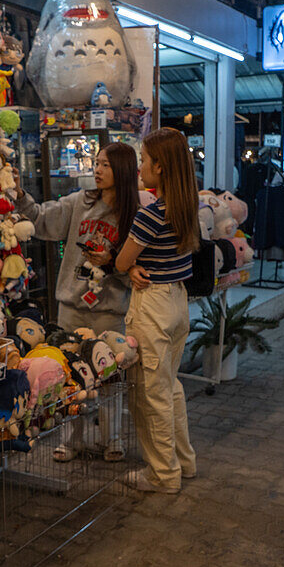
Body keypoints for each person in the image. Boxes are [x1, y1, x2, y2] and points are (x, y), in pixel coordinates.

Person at [14, 142, 140, 462]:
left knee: (109, 376)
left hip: (110, 311)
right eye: (96, 164)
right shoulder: (78, 203)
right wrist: (19, 195)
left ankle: (112, 438)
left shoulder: (134, 216)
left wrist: (111, 262)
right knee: (69, 375)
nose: (97, 170)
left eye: (106, 166)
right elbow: (42, 219)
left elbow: (135, 272)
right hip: (71, 307)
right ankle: (71, 439)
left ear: (123, 171)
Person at [115, 128, 199, 493]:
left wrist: (129, 267)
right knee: (170, 386)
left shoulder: (150, 216)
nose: (140, 169)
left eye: (144, 161)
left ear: (161, 167)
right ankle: (184, 462)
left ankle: (163, 474)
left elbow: (120, 261)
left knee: (152, 394)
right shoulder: (186, 208)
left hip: (152, 306)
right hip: (178, 302)